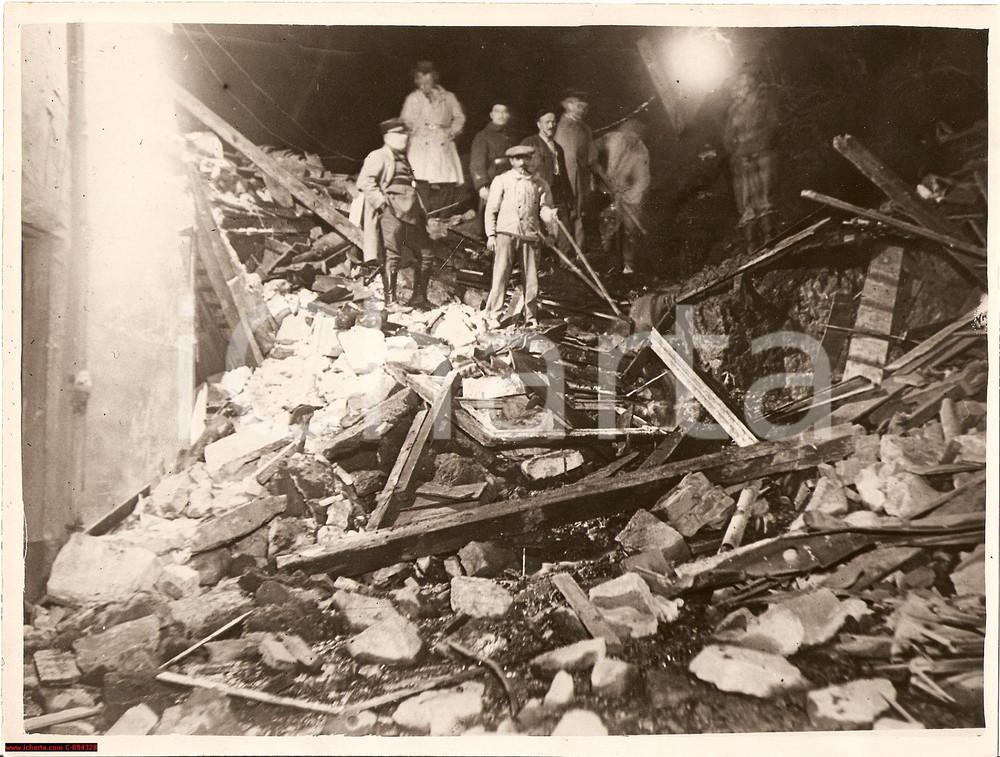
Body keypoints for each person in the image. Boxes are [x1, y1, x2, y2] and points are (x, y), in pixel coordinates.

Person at [356, 118, 435, 310]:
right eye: (399, 134)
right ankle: (390, 303)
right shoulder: (378, 155)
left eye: (405, 134)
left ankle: (418, 298)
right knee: (392, 256)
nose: (404, 138)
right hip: (391, 212)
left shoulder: (403, 158)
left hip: (411, 214)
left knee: (427, 254)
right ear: (387, 137)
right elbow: (365, 182)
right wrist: (383, 205)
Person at [483, 145, 557, 329]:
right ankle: (493, 315)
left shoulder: (540, 184)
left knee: (531, 279)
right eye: (518, 159)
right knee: (500, 275)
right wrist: (491, 235)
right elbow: (491, 209)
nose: (522, 163)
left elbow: (545, 209)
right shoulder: (502, 180)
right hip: (506, 233)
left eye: (526, 158)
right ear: (511, 161)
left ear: (531, 159)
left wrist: (551, 231)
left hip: (530, 236)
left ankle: (530, 317)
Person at [723, 71, 780, 249]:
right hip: (742, 160)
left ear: (749, 86)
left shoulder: (762, 104)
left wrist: (758, 146)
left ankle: (770, 234)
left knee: (764, 194)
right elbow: (728, 138)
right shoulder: (733, 111)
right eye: (733, 88)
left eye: (739, 87)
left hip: (761, 155)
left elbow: (772, 126)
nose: (735, 91)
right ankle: (751, 242)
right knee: (746, 200)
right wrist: (737, 153)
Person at [400, 60, 466, 212]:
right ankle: (425, 215)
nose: (423, 82)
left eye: (427, 77)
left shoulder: (448, 97)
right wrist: (415, 129)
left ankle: (443, 216)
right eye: (420, 78)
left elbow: (459, 118)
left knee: (447, 181)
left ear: (434, 77)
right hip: (420, 143)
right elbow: (405, 121)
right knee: (420, 179)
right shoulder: (412, 98)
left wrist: (451, 131)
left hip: (442, 142)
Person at [597, 117, 650, 274]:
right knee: (606, 226)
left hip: (628, 195)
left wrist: (627, 196)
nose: (630, 140)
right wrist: (597, 167)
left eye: (635, 138)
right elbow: (592, 149)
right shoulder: (612, 138)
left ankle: (629, 265)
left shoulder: (641, 152)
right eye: (627, 136)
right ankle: (606, 260)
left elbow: (642, 181)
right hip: (605, 189)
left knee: (629, 228)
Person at [521, 108, 575, 264]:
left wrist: (569, 198)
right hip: (538, 193)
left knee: (564, 231)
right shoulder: (530, 143)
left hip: (558, 193)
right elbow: (521, 168)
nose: (551, 125)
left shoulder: (558, 147)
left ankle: (566, 267)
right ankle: (537, 268)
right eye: (547, 122)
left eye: (553, 122)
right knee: (538, 231)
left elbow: (563, 174)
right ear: (539, 124)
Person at [555, 90, 599, 248]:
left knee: (580, 213)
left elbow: (592, 156)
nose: (582, 110)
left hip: (581, 177)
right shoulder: (555, 125)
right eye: (578, 106)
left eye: (584, 107)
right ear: (568, 105)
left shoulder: (585, 129)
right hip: (562, 177)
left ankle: (579, 251)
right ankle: (564, 253)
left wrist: (592, 175)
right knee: (564, 213)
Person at [469, 101, 515, 227]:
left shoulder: (511, 137)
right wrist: (482, 186)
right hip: (491, 184)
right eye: (497, 111)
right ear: (491, 115)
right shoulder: (482, 136)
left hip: (510, 184)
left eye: (505, 112)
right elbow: (477, 163)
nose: (501, 115)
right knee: (489, 220)